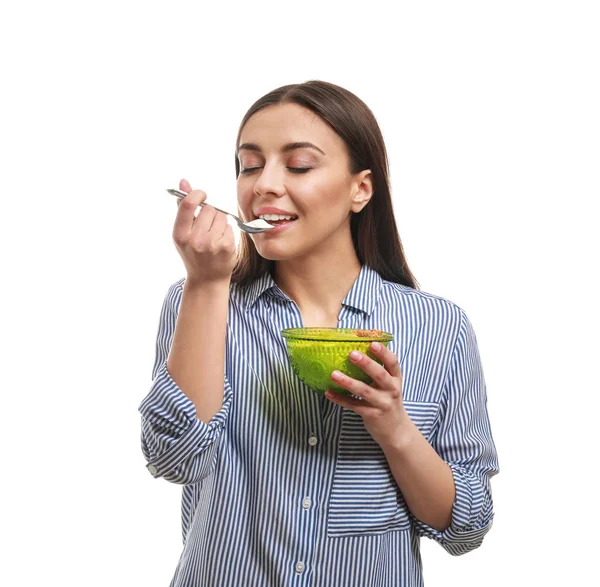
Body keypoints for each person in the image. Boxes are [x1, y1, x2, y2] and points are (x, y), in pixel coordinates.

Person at [138, 80, 499, 587]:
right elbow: (172, 457)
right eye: (249, 164)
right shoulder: (200, 300)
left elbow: (466, 526)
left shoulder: (438, 328)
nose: (263, 184)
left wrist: (393, 428)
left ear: (361, 189)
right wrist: (204, 284)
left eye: (299, 165)